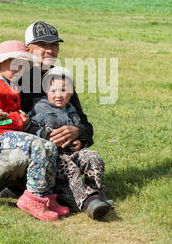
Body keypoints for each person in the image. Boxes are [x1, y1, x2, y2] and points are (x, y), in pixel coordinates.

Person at [0, 21, 94, 211]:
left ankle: (26, 191)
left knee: (77, 174)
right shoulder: (16, 74)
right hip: (21, 149)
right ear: (28, 49)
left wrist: (78, 133)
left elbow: (85, 123)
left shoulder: (60, 81)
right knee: (16, 159)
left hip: (57, 156)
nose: (50, 50)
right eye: (43, 45)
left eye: (54, 45)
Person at [0, 40, 68, 221]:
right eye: (14, 63)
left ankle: (47, 197)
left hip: (12, 134)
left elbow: (10, 114)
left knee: (49, 147)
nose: (19, 68)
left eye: (23, 64)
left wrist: (22, 121)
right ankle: (34, 199)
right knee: (39, 146)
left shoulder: (13, 85)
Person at [28, 66, 111, 220]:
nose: (58, 95)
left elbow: (82, 128)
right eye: (53, 91)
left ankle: (97, 194)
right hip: (55, 159)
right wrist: (46, 135)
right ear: (46, 91)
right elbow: (30, 128)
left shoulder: (72, 109)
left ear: (72, 90)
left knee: (93, 157)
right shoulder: (40, 108)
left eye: (63, 90)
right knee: (70, 168)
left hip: (73, 153)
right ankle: (85, 200)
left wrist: (80, 142)